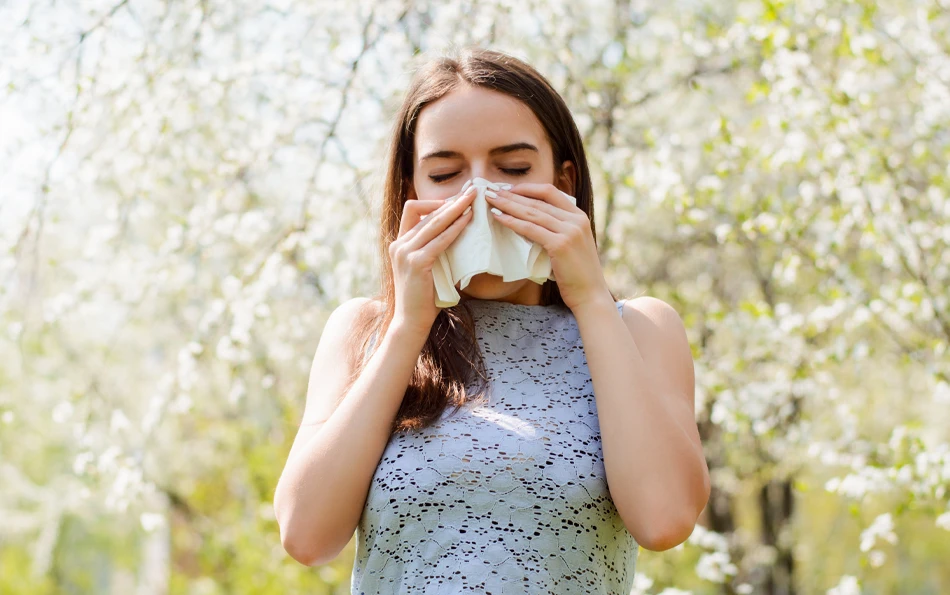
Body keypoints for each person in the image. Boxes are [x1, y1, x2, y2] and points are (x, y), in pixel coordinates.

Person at [273, 46, 710, 594]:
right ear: (412, 192)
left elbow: (665, 519)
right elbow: (306, 536)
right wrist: (408, 327)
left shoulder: (640, 330)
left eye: (514, 169)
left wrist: (591, 300)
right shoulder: (363, 331)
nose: (479, 197)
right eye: (445, 174)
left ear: (564, 182)